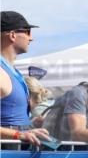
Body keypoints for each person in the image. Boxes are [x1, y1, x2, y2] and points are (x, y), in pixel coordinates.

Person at [0, 11, 52, 146]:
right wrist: (18, 134)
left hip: (15, 154)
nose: (31, 38)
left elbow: (12, 117)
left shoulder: (14, 72)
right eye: (28, 32)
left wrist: (30, 125)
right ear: (12, 35)